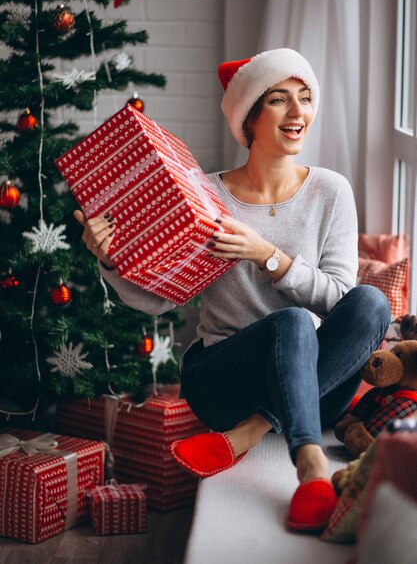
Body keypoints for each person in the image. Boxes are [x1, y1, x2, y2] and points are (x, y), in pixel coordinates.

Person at [74, 48, 391, 532]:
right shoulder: (207, 195)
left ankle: (252, 431)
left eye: (305, 99)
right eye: (280, 100)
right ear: (250, 117)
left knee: (371, 302)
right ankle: (310, 468)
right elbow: (160, 299)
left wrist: (270, 257)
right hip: (223, 380)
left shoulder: (331, 192)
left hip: (310, 384)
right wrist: (111, 260)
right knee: (287, 323)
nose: (298, 112)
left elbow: (340, 303)